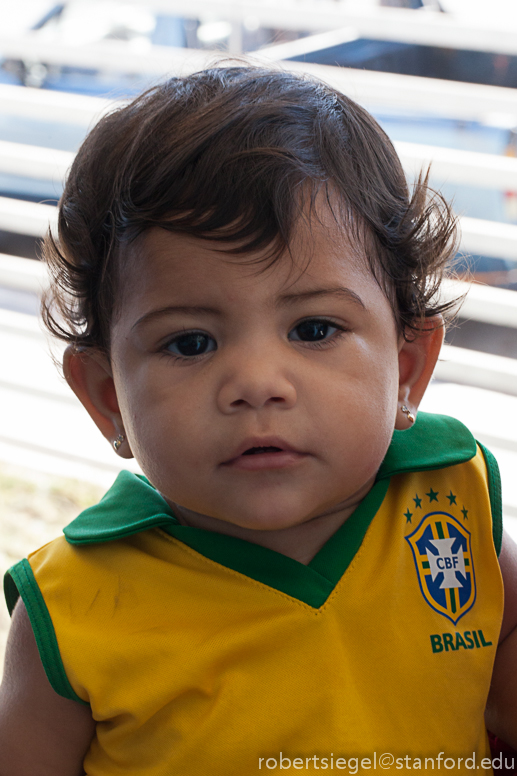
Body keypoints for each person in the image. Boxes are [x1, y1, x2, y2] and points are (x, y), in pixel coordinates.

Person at [0, 64, 516, 776]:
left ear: (407, 369)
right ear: (106, 398)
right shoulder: (72, 609)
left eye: (312, 329)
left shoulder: (452, 502)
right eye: (190, 342)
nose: (256, 384)